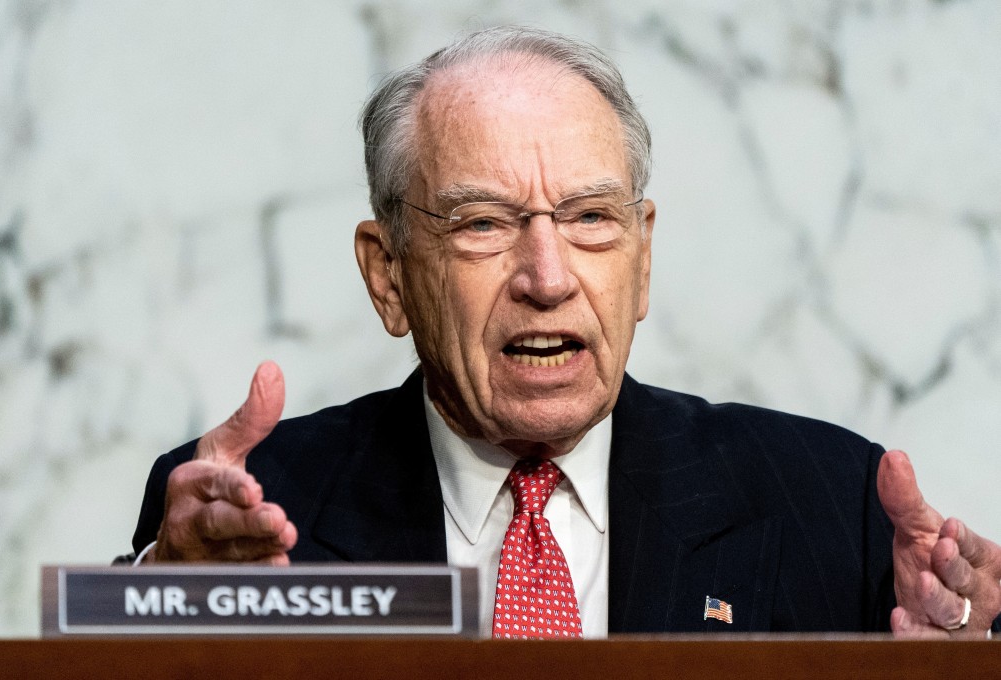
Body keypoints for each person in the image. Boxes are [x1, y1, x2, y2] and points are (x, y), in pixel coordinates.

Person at [125, 26, 1001, 639]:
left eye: (590, 218)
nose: (547, 277)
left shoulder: (830, 503)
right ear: (387, 275)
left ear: (643, 258)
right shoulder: (241, 517)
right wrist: (163, 617)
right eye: (481, 223)